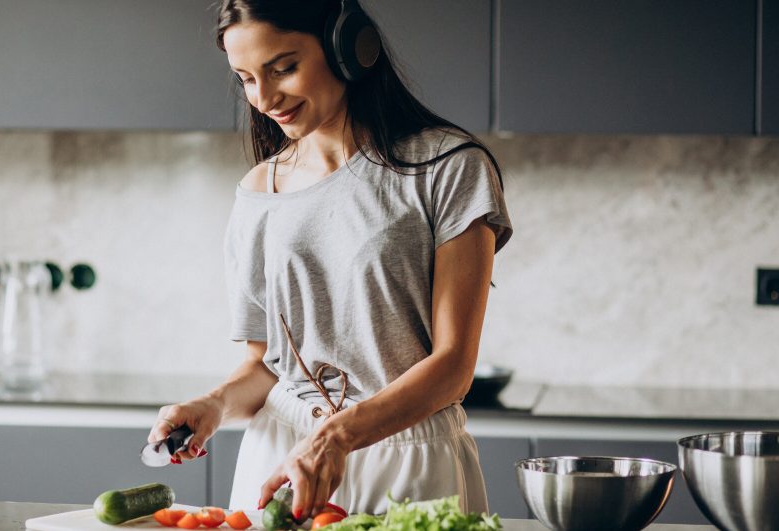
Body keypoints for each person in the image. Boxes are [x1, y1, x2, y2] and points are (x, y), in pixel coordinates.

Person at [148, 0, 512, 519]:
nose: (265, 98)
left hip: (408, 458)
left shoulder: (449, 168)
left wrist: (336, 436)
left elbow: (453, 368)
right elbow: (266, 366)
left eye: (284, 68)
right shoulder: (259, 191)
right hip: (281, 457)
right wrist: (214, 405)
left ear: (349, 50)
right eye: (247, 78)